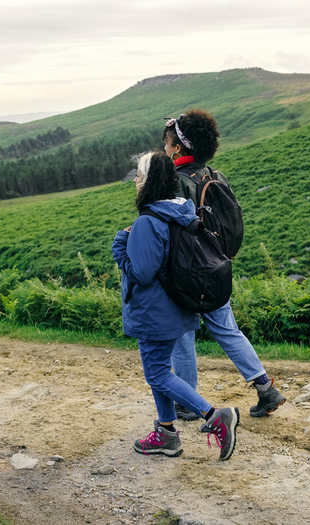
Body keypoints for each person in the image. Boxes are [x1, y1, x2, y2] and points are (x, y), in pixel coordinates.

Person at [112, 150, 240, 460]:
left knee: (157, 373)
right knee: (160, 370)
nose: (135, 182)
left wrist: (120, 248)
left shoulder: (147, 221)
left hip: (154, 312)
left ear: (149, 181)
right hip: (178, 307)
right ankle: (166, 433)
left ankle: (214, 416)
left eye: (139, 177)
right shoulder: (181, 212)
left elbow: (141, 273)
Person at [162, 110, 287, 420]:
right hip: (218, 267)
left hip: (187, 273)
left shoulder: (175, 182)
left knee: (183, 333)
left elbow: (169, 230)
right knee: (228, 330)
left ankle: (188, 402)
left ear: (178, 147)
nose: (164, 147)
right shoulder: (217, 176)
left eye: (167, 142)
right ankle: (265, 388)